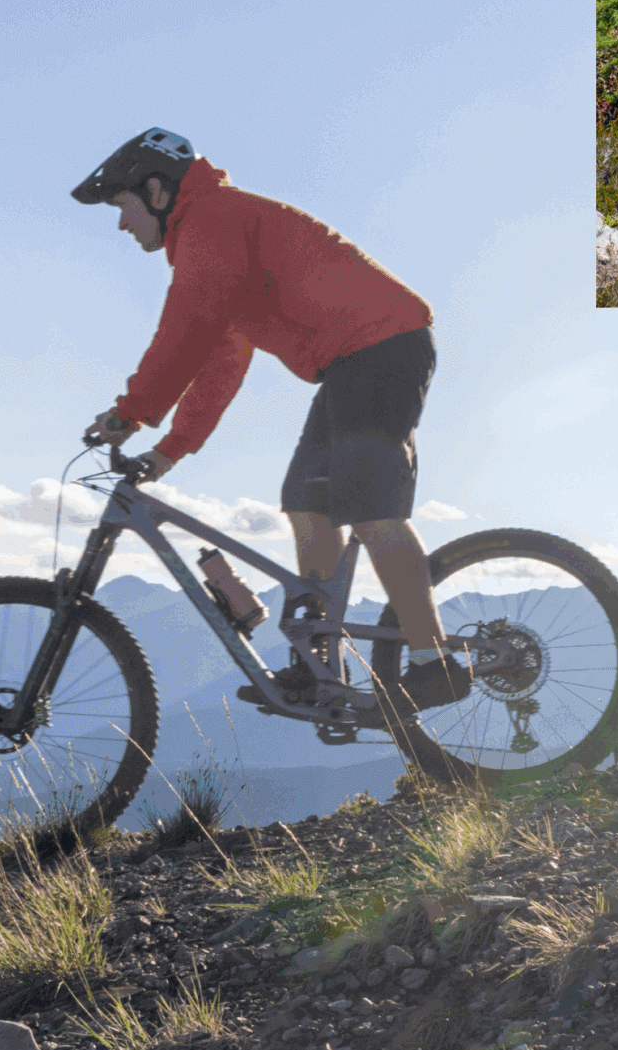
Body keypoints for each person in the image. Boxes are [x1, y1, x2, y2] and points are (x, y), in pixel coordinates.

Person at [71, 129, 469, 716]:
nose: (121, 224)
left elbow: (187, 328)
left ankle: (434, 665)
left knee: (369, 506)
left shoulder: (212, 220)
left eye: (122, 206)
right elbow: (220, 357)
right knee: (306, 503)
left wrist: (131, 412)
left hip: (381, 345)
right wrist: (171, 448)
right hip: (352, 360)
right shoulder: (209, 234)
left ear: (155, 190)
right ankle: (321, 670)